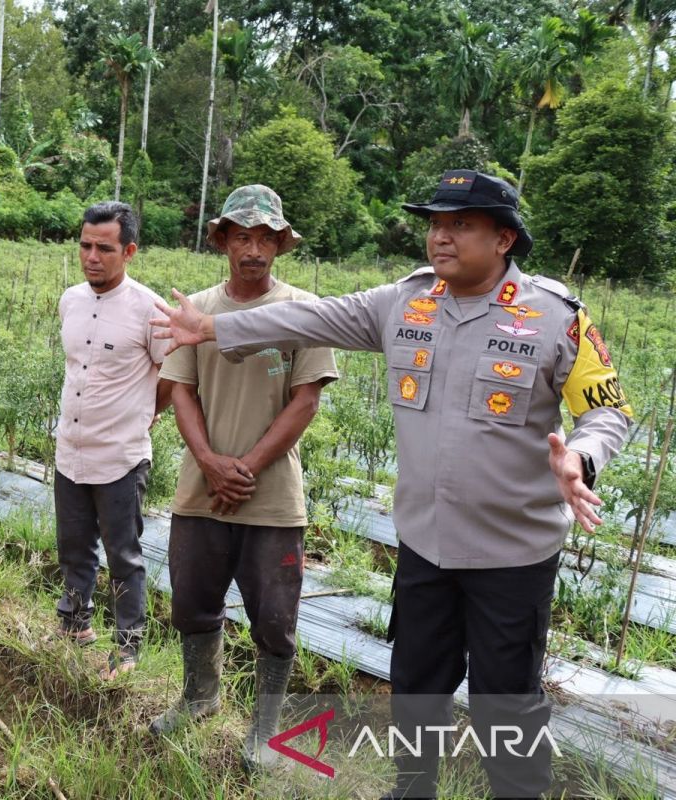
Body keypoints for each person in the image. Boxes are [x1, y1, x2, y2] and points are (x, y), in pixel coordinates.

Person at [152, 170, 631, 797]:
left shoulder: (555, 316)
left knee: (505, 702)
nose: (441, 237)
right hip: (425, 546)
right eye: (435, 224)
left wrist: (583, 457)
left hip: (512, 554)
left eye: (461, 224)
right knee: (415, 684)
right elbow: (313, 318)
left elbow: (608, 409)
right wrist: (215, 328)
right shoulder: (404, 302)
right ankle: (413, 787)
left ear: (505, 239)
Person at [147, 185, 338, 771]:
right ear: (224, 241)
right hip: (200, 492)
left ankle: (264, 729)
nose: (253, 249)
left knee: (276, 619)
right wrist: (208, 461)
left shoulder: (305, 310)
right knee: (192, 602)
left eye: (265, 238)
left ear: (280, 243)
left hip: (272, 498)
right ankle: (200, 696)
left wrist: (246, 468)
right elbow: (181, 391)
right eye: (242, 236)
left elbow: (305, 402)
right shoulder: (197, 307)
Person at [54, 201, 171, 679]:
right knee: (73, 547)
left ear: (129, 251)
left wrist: (143, 414)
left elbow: (172, 377)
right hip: (70, 450)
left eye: (104, 248)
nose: (92, 257)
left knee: (124, 555)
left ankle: (127, 649)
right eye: (85, 245)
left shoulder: (150, 310)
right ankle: (75, 625)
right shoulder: (70, 300)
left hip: (121, 457)